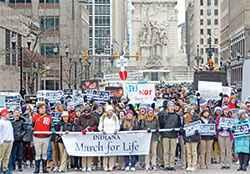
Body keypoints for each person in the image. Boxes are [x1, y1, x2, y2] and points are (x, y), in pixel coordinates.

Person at [30, 103, 55, 174]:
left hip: (46, 137)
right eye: (41, 108)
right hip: (37, 137)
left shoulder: (49, 117)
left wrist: (52, 129)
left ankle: (44, 168)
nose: (43, 110)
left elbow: (52, 125)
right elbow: (30, 125)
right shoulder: (34, 117)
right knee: (38, 153)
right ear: (38, 109)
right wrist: (31, 128)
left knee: (44, 152)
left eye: (44, 108)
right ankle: (37, 168)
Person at [76, 106, 99, 172]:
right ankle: (83, 166)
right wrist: (82, 129)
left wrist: (93, 128)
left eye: (88, 113)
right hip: (83, 136)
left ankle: (89, 165)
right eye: (85, 112)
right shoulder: (81, 117)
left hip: (90, 136)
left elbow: (96, 125)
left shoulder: (94, 118)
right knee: (84, 151)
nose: (86, 114)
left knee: (89, 151)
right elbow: (77, 125)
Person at [160, 101, 181, 171]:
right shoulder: (164, 115)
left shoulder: (177, 115)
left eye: (172, 106)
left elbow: (179, 124)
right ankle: (166, 165)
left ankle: (171, 164)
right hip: (165, 134)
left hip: (173, 135)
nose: (171, 107)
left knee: (172, 151)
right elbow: (161, 125)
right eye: (170, 106)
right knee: (166, 151)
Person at [98, 105, 120, 171]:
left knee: (112, 151)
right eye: (109, 110)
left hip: (113, 136)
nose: (110, 111)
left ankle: (111, 165)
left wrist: (116, 129)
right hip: (105, 136)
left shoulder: (115, 117)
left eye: (111, 110)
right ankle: (105, 166)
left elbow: (117, 125)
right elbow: (100, 126)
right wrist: (102, 130)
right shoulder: (103, 117)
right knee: (106, 151)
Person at [184, 106, 200, 171]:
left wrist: (197, 131)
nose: (193, 111)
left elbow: (199, 126)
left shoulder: (196, 118)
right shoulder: (185, 118)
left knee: (194, 151)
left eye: (193, 110)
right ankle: (189, 165)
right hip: (187, 137)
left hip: (194, 137)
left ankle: (194, 165)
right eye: (191, 110)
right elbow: (183, 126)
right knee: (188, 152)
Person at [0, 109, 14, 174]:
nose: (8, 115)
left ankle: (5, 169)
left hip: (9, 141)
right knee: (1, 157)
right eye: (7, 114)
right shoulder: (1, 122)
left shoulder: (9, 122)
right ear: (4, 114)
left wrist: (12, 139)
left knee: (7, 157)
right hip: (3, 142)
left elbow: (11, 131)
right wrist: (1, 141)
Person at [51, 104, 63, 172]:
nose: (55, 110)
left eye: (56, 108)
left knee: (60, 151)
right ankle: (55, 164)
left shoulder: (62, 115)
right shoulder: (52, 116)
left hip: (60, 135)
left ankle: (61, 164)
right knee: (54, 151)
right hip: (54, 134)